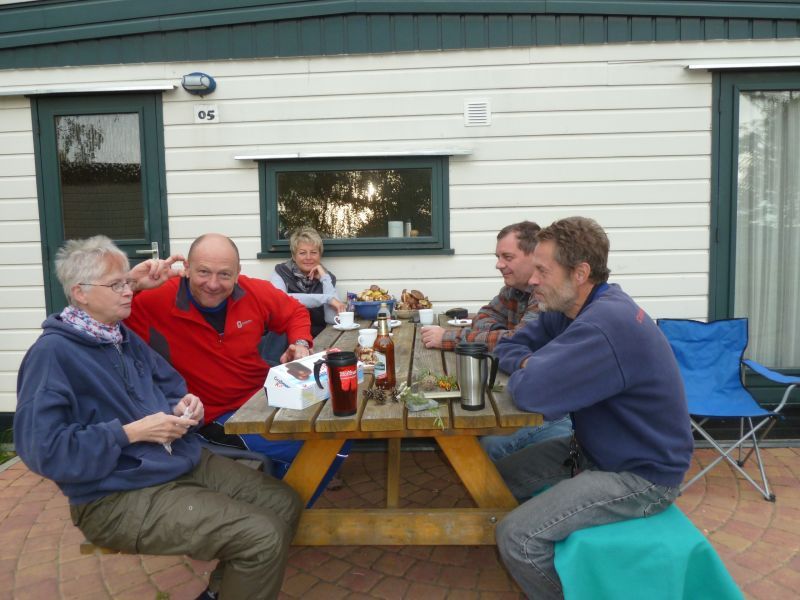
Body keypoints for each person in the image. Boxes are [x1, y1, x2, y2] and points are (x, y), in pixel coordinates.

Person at [14, 235, 302, 600]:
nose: (129, 291)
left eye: (127, 282)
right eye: (117, 285)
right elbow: (43, 450)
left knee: (284, 503)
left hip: (176, 461)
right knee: (262, 535)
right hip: (115, 495)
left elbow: (170, 387)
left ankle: (220, 592)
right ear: (80, 293)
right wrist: (129, 433)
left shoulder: (120, 336)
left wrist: (185, 405)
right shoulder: (53, 354)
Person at [492, 217, 693, 600]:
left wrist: (532, 369)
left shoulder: (605, 324)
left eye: (542, 270)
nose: (532, 280)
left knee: (517, 537)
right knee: (493, 482)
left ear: (580, 273)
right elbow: (508, 346)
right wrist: (531, 363)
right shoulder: (568, 310)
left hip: (641, 476)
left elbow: (531, 393)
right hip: (591, 450)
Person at [124, 233, 345, 494]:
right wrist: (131, 283)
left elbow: (294, 311)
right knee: (318, 446)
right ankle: (284, 508)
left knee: (339, 430)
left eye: (224, 274)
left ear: (238, 273)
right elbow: (96, 321)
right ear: (187, 268)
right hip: (213, 416)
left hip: (263, 397)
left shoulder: (252, 291)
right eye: (203, 272)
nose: (213, 284)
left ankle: (280, 504)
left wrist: (300, 343)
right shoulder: (154, 299)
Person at [421, 221, 571, 460]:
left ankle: (492, 483)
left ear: (534, 256)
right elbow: (483, 317)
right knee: (474, 410)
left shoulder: (546, 295)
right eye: (498, 257)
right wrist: (501, 334)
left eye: (507, 257)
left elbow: (517, 340)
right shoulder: (514, 290)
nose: (499, 264)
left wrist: (447, 337)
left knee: (488, 444)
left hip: (557, 409)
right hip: (522, 390)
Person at [270, 226, 346, 337]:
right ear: (294, 256)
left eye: (313, 252)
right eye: (302, 253)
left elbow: (332, 319)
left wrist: (324, 279)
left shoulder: (327, 277)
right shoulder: (281, 272)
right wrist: (327, 299)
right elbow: (281, 300)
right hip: (286, 336)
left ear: (320, 255)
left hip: (318, 337)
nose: (308, 257)